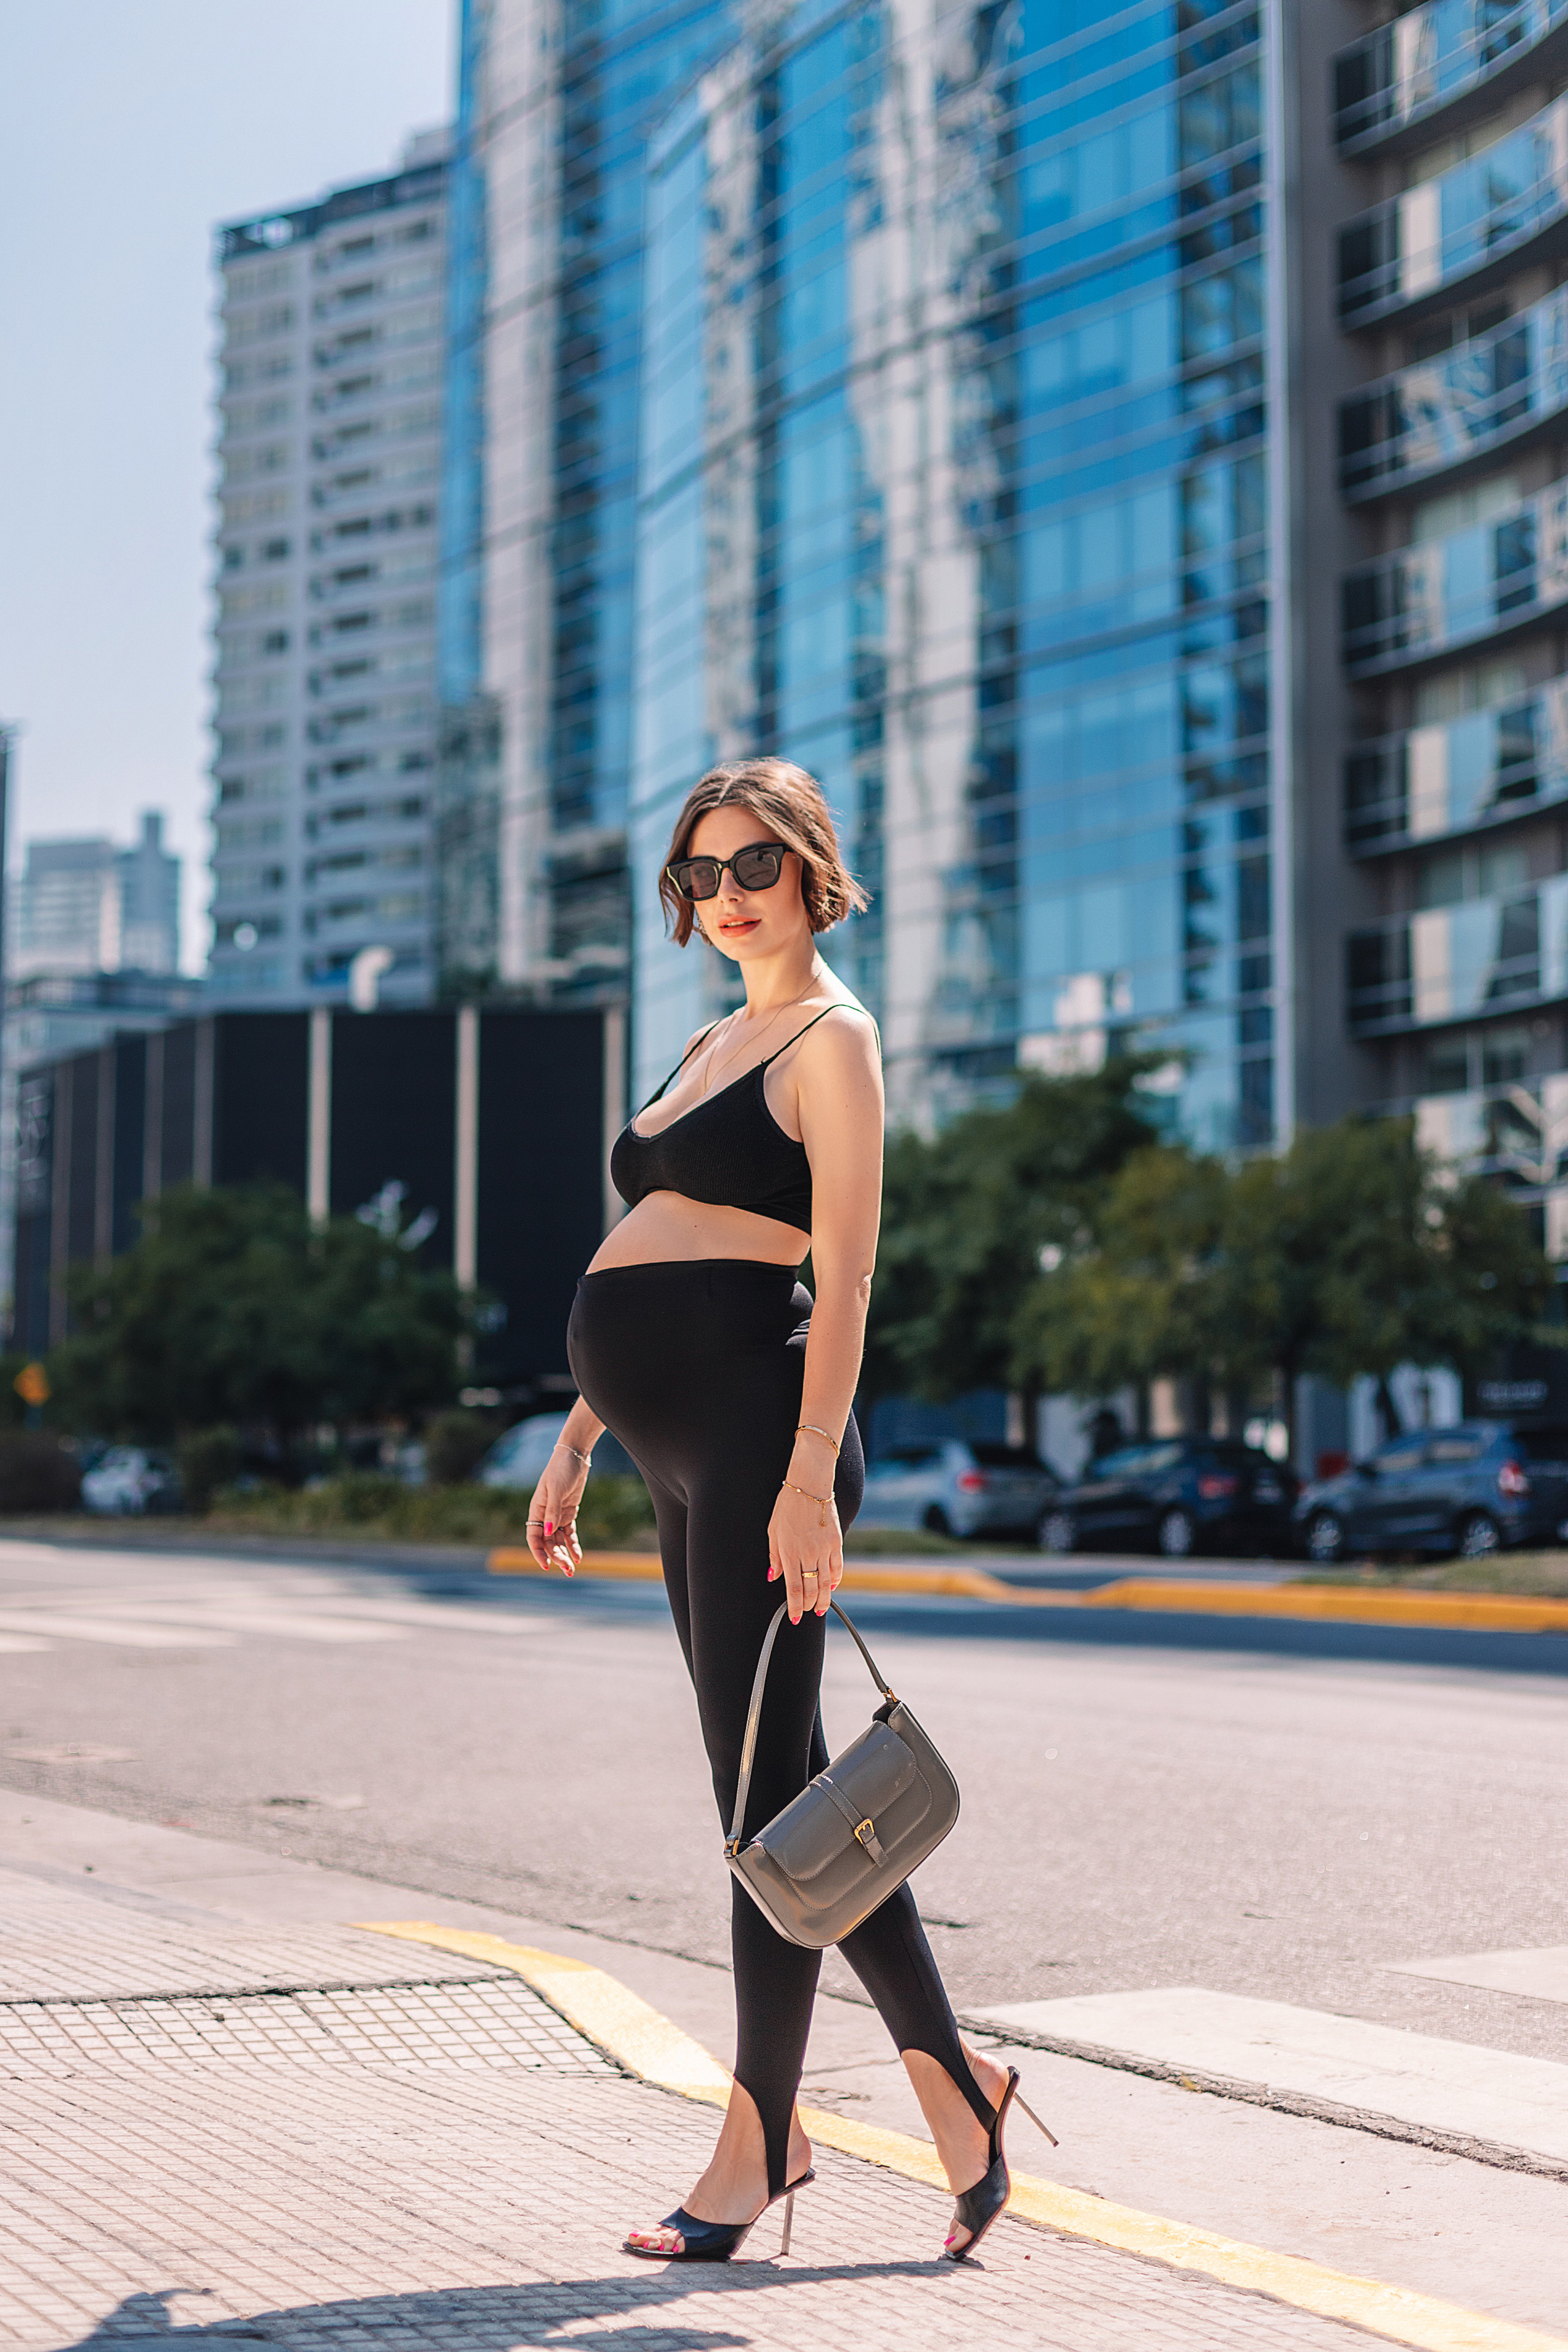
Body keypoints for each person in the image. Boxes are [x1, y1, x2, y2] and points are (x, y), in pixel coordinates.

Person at [527, 756, 1047, 2264]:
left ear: (812, 869)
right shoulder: (710, 1038)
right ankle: (958, 2093)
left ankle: (758, 2144)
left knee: (764, 1806)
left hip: (766, 1443)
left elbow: (845, 1272)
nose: (725, 895)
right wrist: (575, 1436)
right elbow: (648, 1237)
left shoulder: (832, 1038)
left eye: (752, 865)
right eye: (698, 875)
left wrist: (814, 1472)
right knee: (775, 1802)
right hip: (667, 1450)